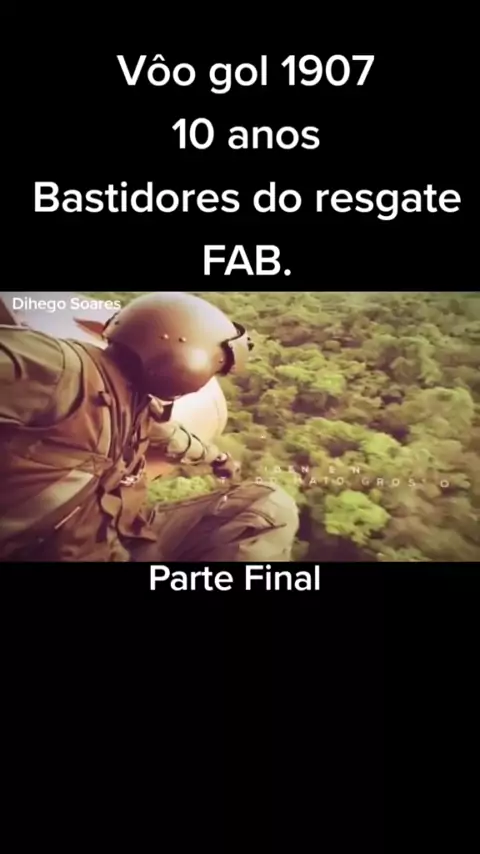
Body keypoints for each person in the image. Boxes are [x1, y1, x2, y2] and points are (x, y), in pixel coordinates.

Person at [0, 292, 299, 562]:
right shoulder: (62, 369)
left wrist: (217, 458)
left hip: (122, 535)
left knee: (268, 506)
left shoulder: (132, 400)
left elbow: (171, 437)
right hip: (65, 549)